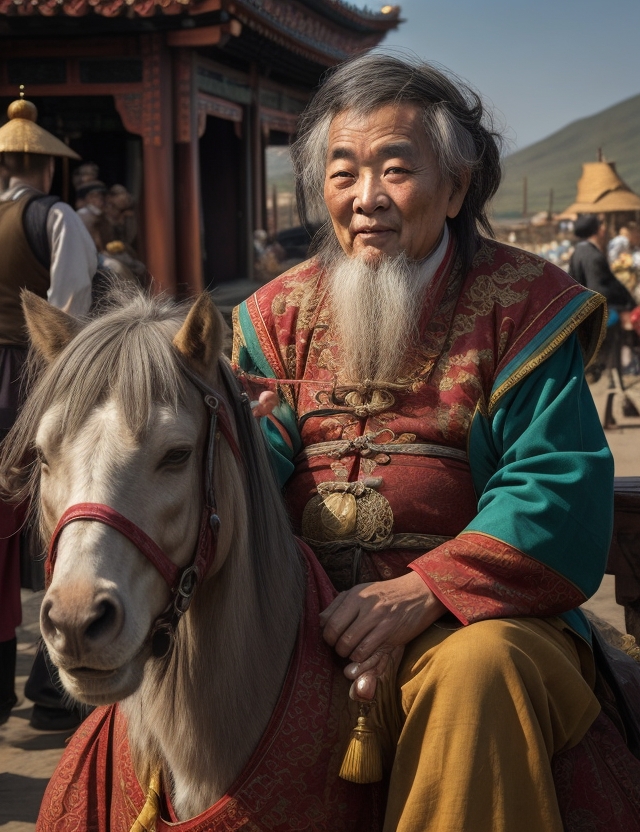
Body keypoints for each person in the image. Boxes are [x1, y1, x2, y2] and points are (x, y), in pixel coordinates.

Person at [233, 54, 640, 831]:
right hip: (303, 611)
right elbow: (261, 454)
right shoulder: (276, 314)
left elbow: (555, 483)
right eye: (343, 172)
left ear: (456, 187)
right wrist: (234, 435)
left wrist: (424, 590)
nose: (366, 200)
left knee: (476, 677)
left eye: (395, 169)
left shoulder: (523, 305)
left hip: (480, 619)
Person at [0, 94, 96, 728]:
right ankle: (53, 680)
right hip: (31, 376)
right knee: (60, 505)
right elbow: (68, 311)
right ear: (49, 166)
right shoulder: (56, 216)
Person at [569, 214, 635, 382]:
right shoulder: (592, 255)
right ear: (597, 230)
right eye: (601, 225)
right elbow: (599, 288)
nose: (604, 229)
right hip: (599, 312)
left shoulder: (581, 250)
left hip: (585, 309)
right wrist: (626, 304)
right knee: (631, 324)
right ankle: (618, 371)